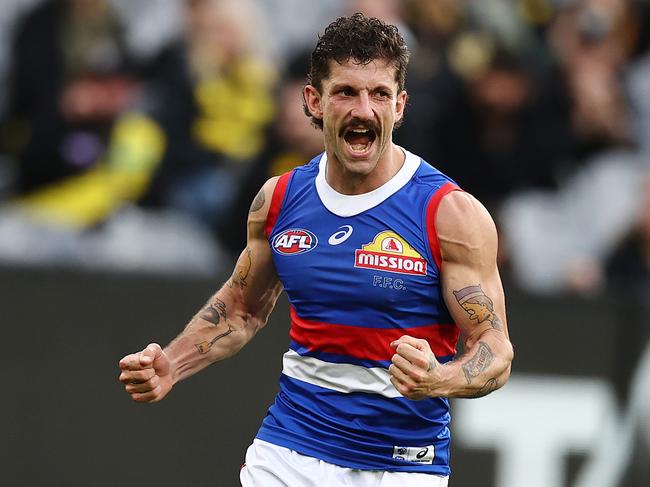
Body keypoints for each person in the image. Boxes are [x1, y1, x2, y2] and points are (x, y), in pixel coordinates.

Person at [118, 13, 514, 487]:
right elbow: (241, 309)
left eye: (380, 94)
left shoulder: (449, 215)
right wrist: (172, 364)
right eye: (346, 91)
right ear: (314, 100)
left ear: (400, 106)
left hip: (402, 464)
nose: (364, 110)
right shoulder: (280, 200)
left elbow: (494, 350)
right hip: (289, 451)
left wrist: (439, 378)